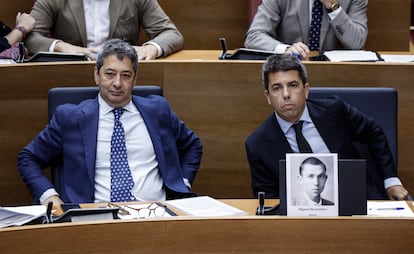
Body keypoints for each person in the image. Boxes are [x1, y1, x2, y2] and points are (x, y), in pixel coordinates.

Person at [17, 39, 202, 208]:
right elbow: (28, 158)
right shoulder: (70, 117)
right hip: (94, 217)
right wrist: (48, 196)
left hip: (155, 213)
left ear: (135, 79)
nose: (117, 83)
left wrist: (181, 183)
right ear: (97, 75)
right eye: (110, 74)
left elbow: (193, 145)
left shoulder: (157, 110)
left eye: (126, 75)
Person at [245, 54, 409, 201]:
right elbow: (268, 198)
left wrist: (391, 181)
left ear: (306, 90)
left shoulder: (334, 110)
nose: (286, 94)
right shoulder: (258, 144)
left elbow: (374, 133)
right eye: (277, 88)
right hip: (299, 216)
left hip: (356, 198)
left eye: (293, 85)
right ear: (268, 96)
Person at [25, 0, 184, 60]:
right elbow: (30, 36)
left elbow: (171, 34)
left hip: (123, 73)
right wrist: (61, 47)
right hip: (72, 72)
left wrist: (152, 48)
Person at [244, 0, 368, 60]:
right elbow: (254, 36)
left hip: (333, 75)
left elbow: (356, 43)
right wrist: (286, 49)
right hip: (289, 71)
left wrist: (333, 6)